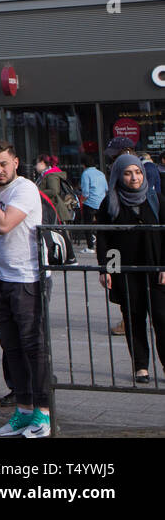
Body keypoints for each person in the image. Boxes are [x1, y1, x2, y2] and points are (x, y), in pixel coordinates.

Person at [0, 140, 51, 438]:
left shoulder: (24, 189)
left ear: (16, 162)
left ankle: (43, 414)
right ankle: (23, 411)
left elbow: (6, 224)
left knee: (33, 348)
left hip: (29, 279)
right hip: (4, 277)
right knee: (11, 347)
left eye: (3, 164)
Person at [96, 152, 165, 384]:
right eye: (127, 173)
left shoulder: (156, 200)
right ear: (118, 176)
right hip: (127, 272)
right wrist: (108, 269)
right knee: (134, 318)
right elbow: (107, 239)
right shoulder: (111, 203)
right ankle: (141, 367)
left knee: (162, 318)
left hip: (156, 271)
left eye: (137, 172)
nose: (134, 178)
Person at [34, 154, 75, 223]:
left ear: (42, 163)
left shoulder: (51, 175)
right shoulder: (44, 175)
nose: (35, 166)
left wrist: (37, 193)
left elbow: (54, 191)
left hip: (55, 212)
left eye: (36, 163)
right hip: (50, 211)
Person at [79, 154, 108, 249]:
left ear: (84, 165)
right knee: (101, 226)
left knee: (87, 226)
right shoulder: (101, 173)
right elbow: (106, 188)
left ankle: (90, 247)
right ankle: (103, 244)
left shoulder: (86, 174)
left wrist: (81, 201)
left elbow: (86, 193)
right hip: (101, 202)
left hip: (90, 203)